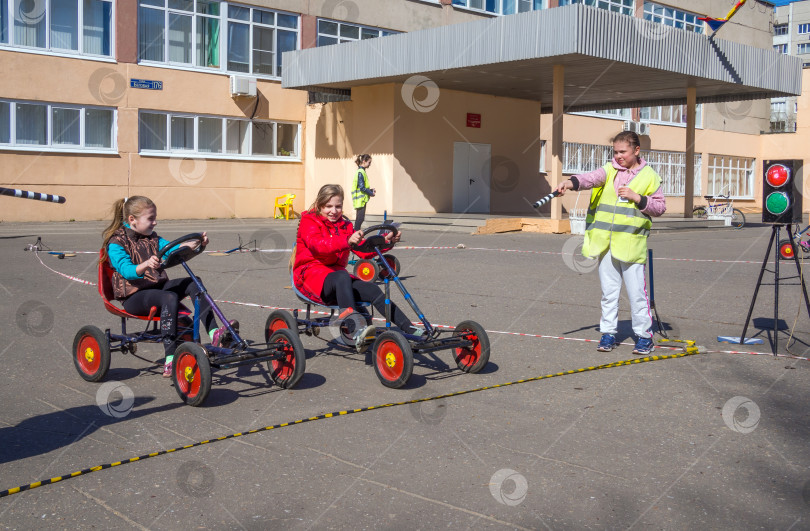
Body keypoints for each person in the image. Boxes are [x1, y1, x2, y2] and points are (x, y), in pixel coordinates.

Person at [555, 131, 666, 355]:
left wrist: (638, 198)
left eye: (622, 152)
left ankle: (644, 337)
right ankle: (608, 334)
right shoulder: (609, 170)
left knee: (637, 295)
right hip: (605, 244)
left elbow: (660, 207)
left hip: (631, 246)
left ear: (636, 151)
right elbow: (590, 178)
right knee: (609, 293)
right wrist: (569, 182)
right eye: (615, 152)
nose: (618, 156)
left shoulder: (650, 176)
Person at [101, 196, 236, 377]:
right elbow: (126, 271)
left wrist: (195, 243)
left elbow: (174, 249)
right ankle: (170, 359)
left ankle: (215, 333)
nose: (155, 223)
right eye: (150, 219)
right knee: (169, 297)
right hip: (133, 296)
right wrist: (146, 264)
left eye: (155, 218)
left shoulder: (153, 238)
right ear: (132, 220)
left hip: (157, 287)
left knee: (193, 282)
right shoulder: (116, 243)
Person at [292, 184, 424, 351]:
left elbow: (364, 250)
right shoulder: (309, 221)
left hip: (337, 278)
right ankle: (355, 329)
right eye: (328, 206)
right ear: (319, 206)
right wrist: (346, 241)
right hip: (310, 276)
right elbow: (319, 245)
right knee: (342, 276)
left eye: (338, 206)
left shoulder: (345, 225)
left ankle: (410, 328)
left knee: (372, 289)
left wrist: (387, 241)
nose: (334, 211)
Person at [352, 154, 375, 231]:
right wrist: (371, 193)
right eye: (369, 162)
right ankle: (355, 235)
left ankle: (356, 234)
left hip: (361, 200)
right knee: (360, 219)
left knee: (360, 219)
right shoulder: (361, 172)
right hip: (360, 200)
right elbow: (362, 187)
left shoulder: (361, 172)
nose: (370, 164)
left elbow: (362, 186)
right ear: (364, 161)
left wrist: (370, 190)